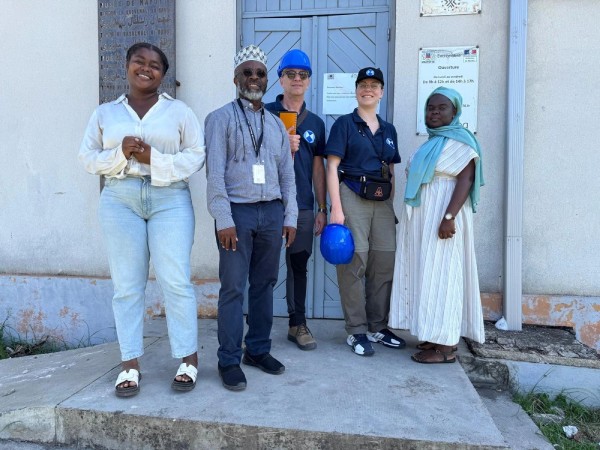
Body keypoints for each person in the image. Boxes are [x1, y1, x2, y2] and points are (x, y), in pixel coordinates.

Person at [79, 42, 205, 396]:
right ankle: (130, 364)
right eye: (139, 61)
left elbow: (196, 155)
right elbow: (87, 158)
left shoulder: (179, 111)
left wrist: (155, 160)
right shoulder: (106, 113)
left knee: (176, 281)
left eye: (155, 65)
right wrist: (119, 154)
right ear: (127, 65)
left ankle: (188, 359)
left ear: (163, 75)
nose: (146, 68)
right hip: (120, 198)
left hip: (170, 199)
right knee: (127, 285)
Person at [205, 45, 298, 391]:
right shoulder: (219, 119)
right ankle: (228, 358)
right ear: (235, 78)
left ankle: (257, 350)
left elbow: (286, 174)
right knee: (232, 289)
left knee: (264, 285)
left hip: (271, 213)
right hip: (237, 215)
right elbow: (214, 174)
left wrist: (290, 217)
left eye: (259, 73)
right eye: (248, 72)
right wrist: (223, 219)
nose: (254, 79)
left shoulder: (275, 124)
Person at [388, 86, 485, 364]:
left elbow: (466, 180)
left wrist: (449, 217)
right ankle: (433, 335)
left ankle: (446, 348)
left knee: (444, 276)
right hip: (425, 218)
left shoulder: (463, 142)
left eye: (442, 107)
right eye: (431, 107)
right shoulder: (432, 142)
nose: (435, 112)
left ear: (455, 111)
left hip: (444, 218)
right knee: (428, 275)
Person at [325, 67, 405, 357]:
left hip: (382, 200)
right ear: (356, 90)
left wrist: (391, 202)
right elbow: (332, 166)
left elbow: (392, 168)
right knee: (354, 262)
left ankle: (377, 326)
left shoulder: (389, 129)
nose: (368, 89)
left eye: (374, 85)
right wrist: (336, 207)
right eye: (363, 85)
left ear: (381, 92)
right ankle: (357, 330)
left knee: (384, 260)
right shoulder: (344, 124)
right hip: (352, 195)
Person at [265, 49, 327, 351]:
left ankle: (297, 323)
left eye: (303, 75)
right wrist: (279, 143)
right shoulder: (263, 114)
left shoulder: (315, 122)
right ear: (281, 80)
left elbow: (319, 167)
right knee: (261, 268)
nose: (297, 79)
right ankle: (257, 328)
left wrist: (322, 207)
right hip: (266, 202)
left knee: (298, 265)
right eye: (291, 74)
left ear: (309, 81)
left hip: (302, 205)